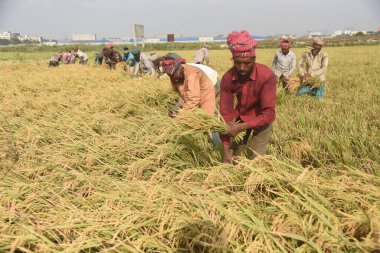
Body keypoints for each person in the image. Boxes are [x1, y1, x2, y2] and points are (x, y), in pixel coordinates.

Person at [219, 30, 276, 163]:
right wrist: (226, 150)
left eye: (247, 63)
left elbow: (269, 114)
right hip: (241, 116)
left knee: (256, 159)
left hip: (261, 118)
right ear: (233, 60)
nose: (242, 68)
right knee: (234, 157)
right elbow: (225, 116)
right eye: (238, 63)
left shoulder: (266, 76)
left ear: (254, 59)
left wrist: (243, 127)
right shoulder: (228, 78)